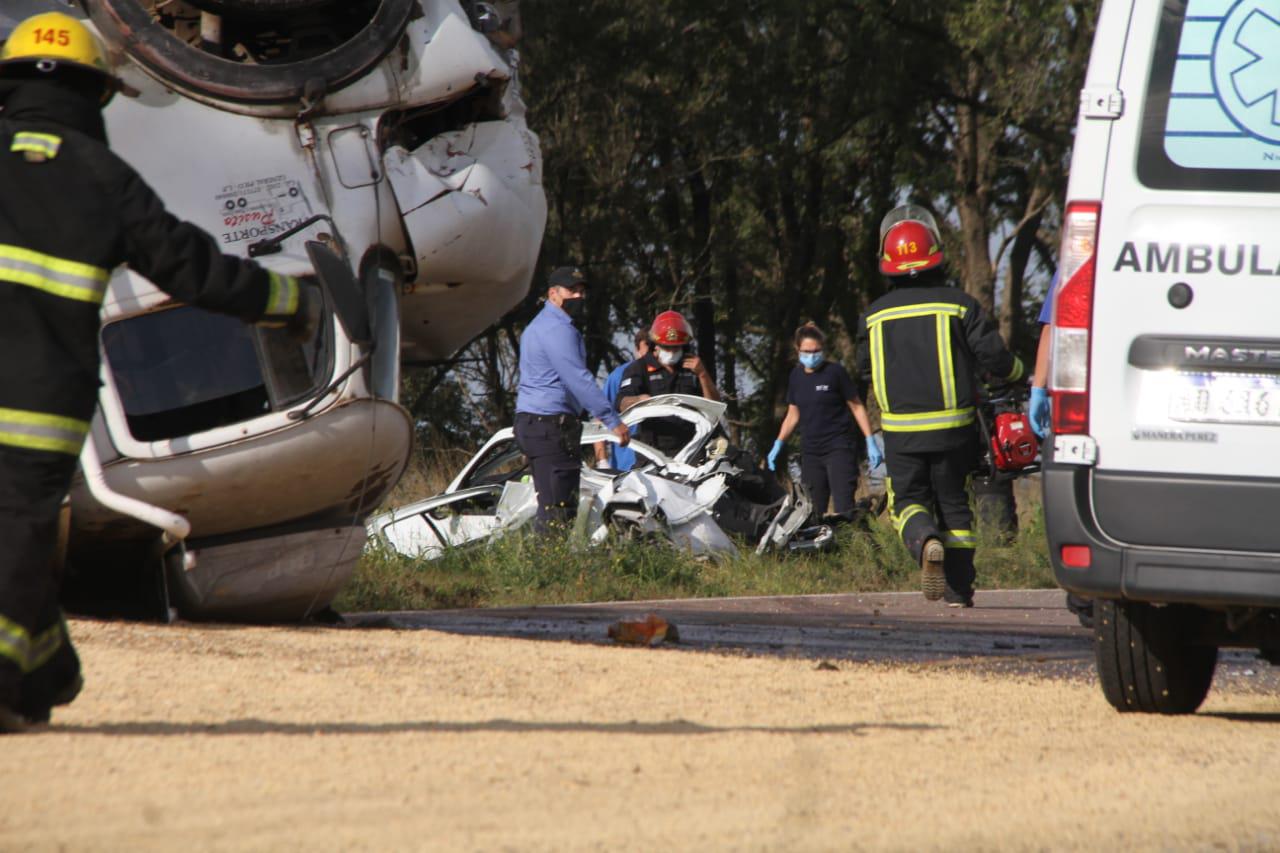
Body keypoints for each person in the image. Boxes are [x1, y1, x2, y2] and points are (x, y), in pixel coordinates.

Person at [0, 12, 317, 732]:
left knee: (15, 543)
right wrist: (286, 299)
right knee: (18, 533)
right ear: (96, 95)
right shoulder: (103, 179)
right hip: (39, 407)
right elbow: (191, 268)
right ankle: (20, 675)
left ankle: (44, 668)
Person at [855, 204, 1024, 607]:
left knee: (908, 501)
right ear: (935, 254)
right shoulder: (960, 305)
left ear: (887, 262)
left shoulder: (873, 317)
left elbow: (864, 369)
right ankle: (958, 588)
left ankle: (924, 539)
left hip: (901, 434)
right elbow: (996, 359)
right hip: (955, 429)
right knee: (955, 504)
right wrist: (1021, 373)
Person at [514, 265, 630, 531]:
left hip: (533, 423)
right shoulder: (558, 329)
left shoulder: (538, 326)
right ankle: (549, 569)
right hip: (550, 426)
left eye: (581, 291)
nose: (578, 296)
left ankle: (544, 566)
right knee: (559, 509)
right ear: (553, 293)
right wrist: (612, 420)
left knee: (551, 505)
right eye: (571, 290)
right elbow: (578, 379)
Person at [767, 322, 879, 520]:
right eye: (807, 351)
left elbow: (857, 406)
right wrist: (778, 443)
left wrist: (870, 441)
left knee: (844, 509)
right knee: (812, 512)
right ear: (797, 350)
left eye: (817, 351)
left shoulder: (835, 373)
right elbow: (793, 413)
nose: (812, 355)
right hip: (811, 452)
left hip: (839, 447)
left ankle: (856, 545)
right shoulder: (795, 376)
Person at [617, 309, 719, 456]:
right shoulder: (638, 368)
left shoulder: (694, 366)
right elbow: (621, 402)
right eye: (666, 347)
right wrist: (639, 400)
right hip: (652, 451)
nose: (671, 352)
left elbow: (714, 408)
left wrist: (703, 375)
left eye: (676, 347)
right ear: (655, 345)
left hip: (692, 450)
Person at [594, 328, 649, 472]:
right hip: (625, 466)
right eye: (646, 349)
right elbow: (600, 418)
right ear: (637, 350)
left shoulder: (670, 374)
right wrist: (602, 462)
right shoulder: (618, 376)